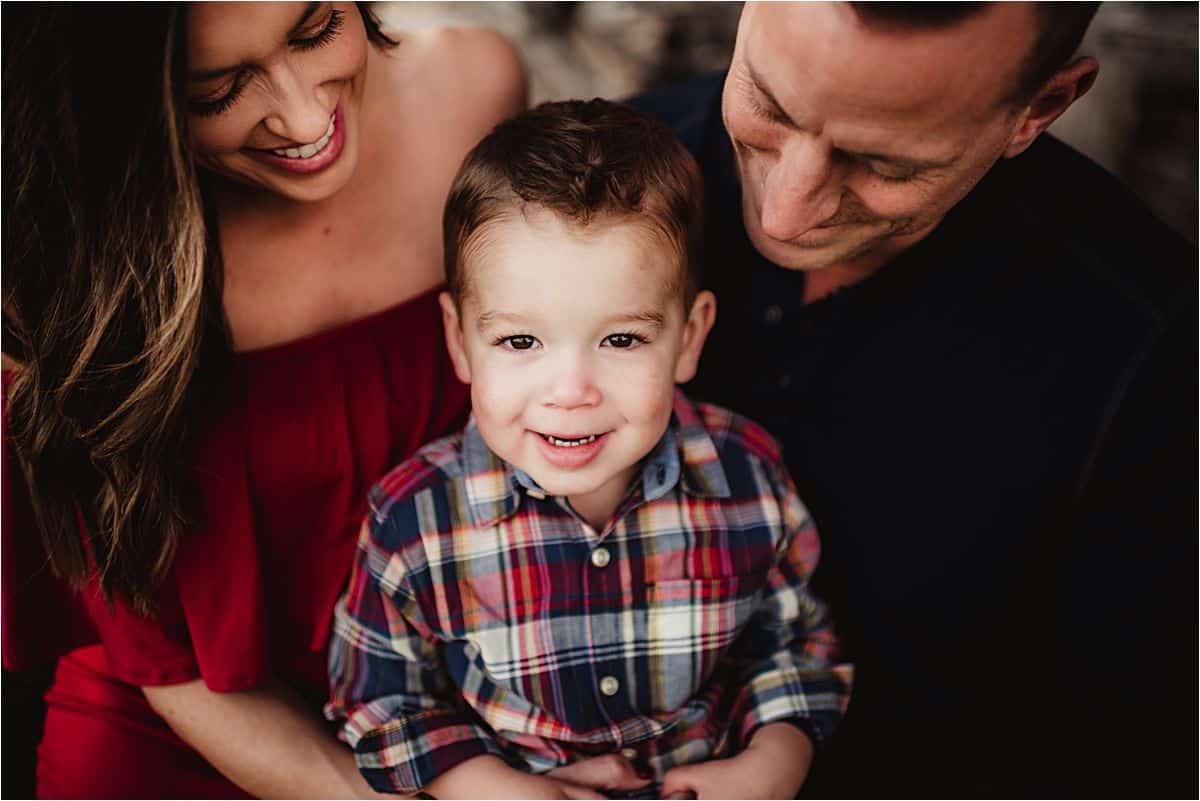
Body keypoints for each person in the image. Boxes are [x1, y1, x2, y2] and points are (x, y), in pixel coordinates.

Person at [628, 2, 1198, 797]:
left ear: (1040, 108)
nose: (787, 209)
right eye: (767, 105)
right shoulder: (580, 187)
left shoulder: (1154, 359)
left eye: (885, 165)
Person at [1, 3, 525, 797]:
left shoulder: (477, 92)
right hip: (179, 732)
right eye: (217, 92)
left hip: (465, 722)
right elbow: (161, 658)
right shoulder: (73, 255)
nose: (307, 114)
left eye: (316, 30)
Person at [325, 99, 851, 800]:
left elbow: (795, 643)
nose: (570, 390)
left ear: (689, 337)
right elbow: (377, 698)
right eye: (520, 341)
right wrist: (488, 787)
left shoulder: (746, 475)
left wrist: (773, 761)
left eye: (622, 339)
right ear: (459, 341)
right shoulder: (414, 520)